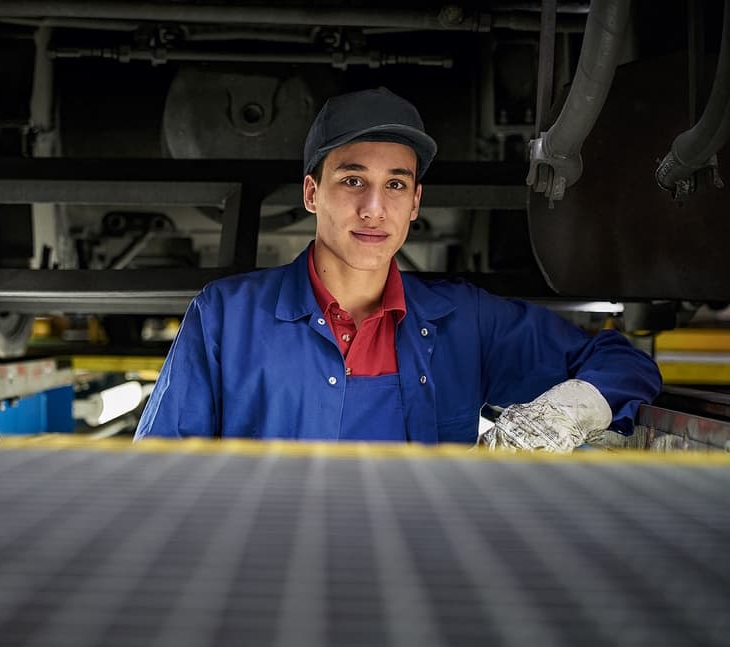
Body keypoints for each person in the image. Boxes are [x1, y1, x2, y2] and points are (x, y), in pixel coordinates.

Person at [134, 87, 662, 451]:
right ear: (312, 193)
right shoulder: (227, 317)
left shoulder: (465, 323)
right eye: (352, 180)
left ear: (414, 202)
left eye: (395, 185)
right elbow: (160, 474)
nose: (373, 209)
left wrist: (566, 414)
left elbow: (622, 362)